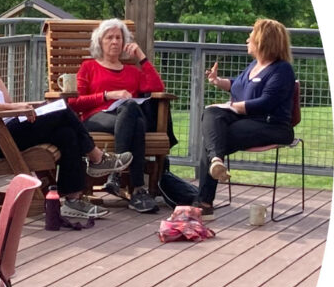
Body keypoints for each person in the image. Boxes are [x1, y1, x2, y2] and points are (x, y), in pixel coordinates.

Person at [0, 25, 131, 221]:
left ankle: (73, 200)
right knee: (62, 109)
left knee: (66, 134)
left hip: (6, 129)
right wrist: (14, 108)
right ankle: (97, 158)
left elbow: (6, 100)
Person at [192, 18, 297, 218]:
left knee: (214, 139)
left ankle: (204, 202)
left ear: (263, 40)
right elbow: (239, 86)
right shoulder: (253, 65)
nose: (247, 40)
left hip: (272, 125)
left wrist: (230, 106)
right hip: (247, 120)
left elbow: (265, 102)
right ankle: (216, 161)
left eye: (251, 36)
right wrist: (218, 81)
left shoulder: (282, 70)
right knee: (212, 113)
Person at [71, 18, 174, 214]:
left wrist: (141, 56)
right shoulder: (89, 67)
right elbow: (75, 102)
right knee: (136, 118)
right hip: (95, 118)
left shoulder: (132, 72)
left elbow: (157, 87)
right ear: (100, 42)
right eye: (109, 37)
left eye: (118, 38)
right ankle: (137, 189)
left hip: (126, 119)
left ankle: (116, 177)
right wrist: (107, 95)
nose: (114, 41)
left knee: (133, 114)